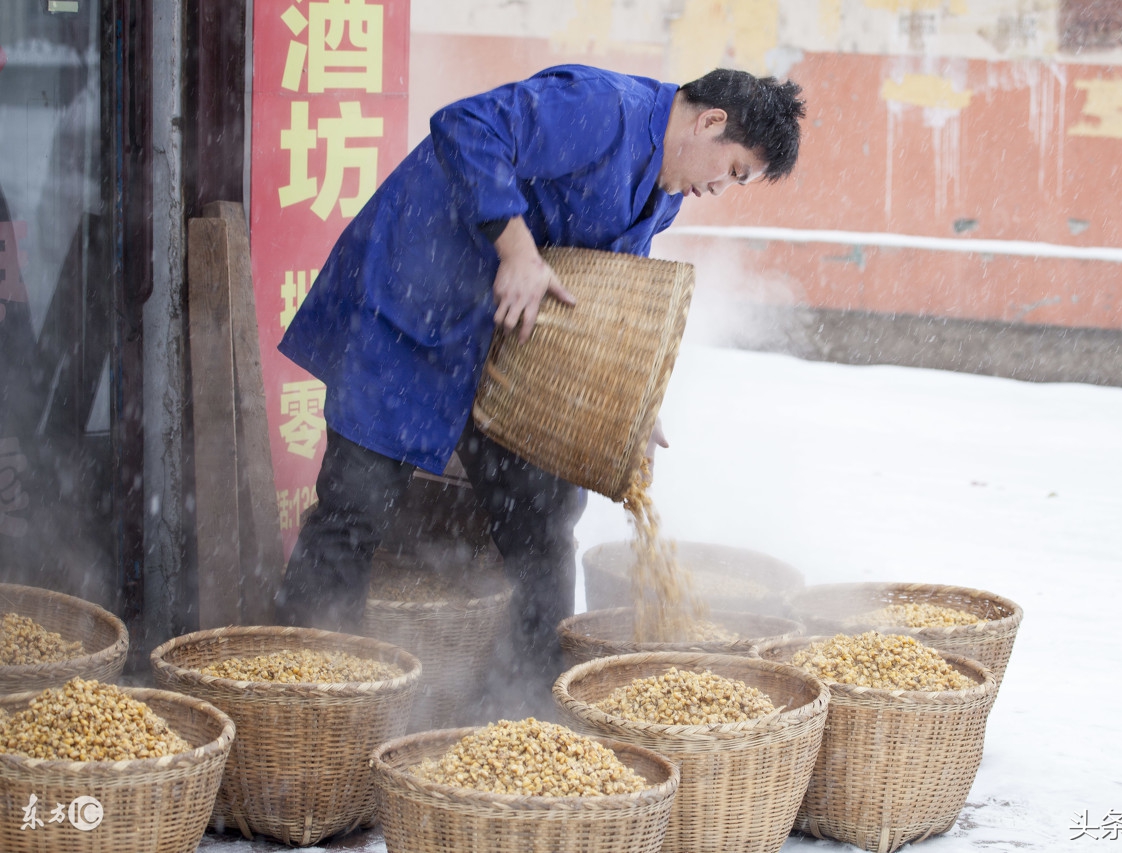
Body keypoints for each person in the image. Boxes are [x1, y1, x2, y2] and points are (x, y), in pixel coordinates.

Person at [273, 63, 805, 714]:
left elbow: (604, 286)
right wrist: (517, 249)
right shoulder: (599, 107)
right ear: (710, 122)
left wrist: (631, 398)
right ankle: (301, 704)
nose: (720, 188)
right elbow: (464, 126)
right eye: (734, 171)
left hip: (507, 349)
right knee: (353, 512)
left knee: (545, 523)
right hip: (412, 314)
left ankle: (525, 707)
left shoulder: (662, 191)